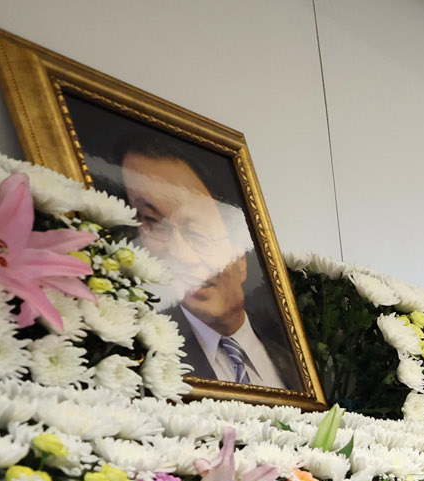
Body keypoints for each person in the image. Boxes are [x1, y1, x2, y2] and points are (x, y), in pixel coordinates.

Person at [115, 135, 296, 389]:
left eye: (197, 232)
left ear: (241, 258)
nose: (181, 256)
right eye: (152, 221)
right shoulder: (141, 361)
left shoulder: (296, 360)